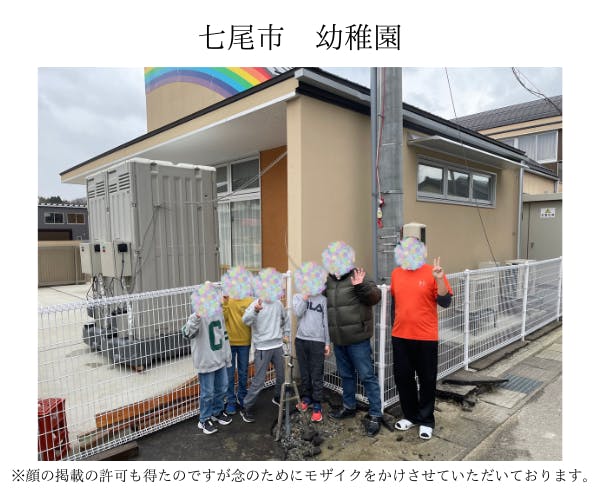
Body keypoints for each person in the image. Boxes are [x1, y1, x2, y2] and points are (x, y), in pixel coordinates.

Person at [390, 233, 453, 441]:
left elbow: (445, 302)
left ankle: (426, 420)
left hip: (426, 337)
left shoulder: (432, 272)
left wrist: (439, 279)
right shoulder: (396, 274)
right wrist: (393, 327)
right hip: (400, 336)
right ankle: (410, 415)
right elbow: (395, 304)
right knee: (403, 378)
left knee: (426, 379)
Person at [322, 242, 383, 437]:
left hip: (358, 338)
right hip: (339, 339)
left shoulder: (359, 275)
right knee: (345, 375)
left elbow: (375, 297)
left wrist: (360, 286)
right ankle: (349, 406)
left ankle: (375, 414)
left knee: (366, 376)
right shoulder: (329, 281)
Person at [183, 290, 233, 435]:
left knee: (222, 387)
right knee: (207, 393)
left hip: (219, 359)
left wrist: (227, 356)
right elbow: (187, 333)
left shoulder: (218, 313)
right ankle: (204, 419)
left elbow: (223, 336)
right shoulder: (197, 317)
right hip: (206, 362)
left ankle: (217, 412)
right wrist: (197, 316)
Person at [239, 295, 290, 423]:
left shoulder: (278, 303)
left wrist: (286, 333)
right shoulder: (256, 303)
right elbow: (245, 320)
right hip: (262, 347)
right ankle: (246, 407)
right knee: (259, 380)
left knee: (282, 375)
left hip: (278, 345)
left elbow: (286, 318)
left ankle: (278, 397)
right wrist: (255, 310)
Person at [292, 292, 331, 423]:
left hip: (318, 341)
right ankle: (306, 398)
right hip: (301, 340)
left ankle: (317, 405)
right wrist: (305, 297)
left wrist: (327, 343)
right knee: (304, 373)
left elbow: (325, 322)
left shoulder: (323, 299)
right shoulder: (298, 296)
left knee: (317, 373)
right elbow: (298, 313)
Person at [222, 294, 254, 415]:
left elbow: (252, 320)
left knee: (243, 372)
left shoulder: (250, 300)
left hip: (245, 342)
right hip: (229, 342)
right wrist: (225, 303)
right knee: (229, 374)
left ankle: (242, 397)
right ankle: (231, 401)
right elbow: (223, 318)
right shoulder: (227, 300)